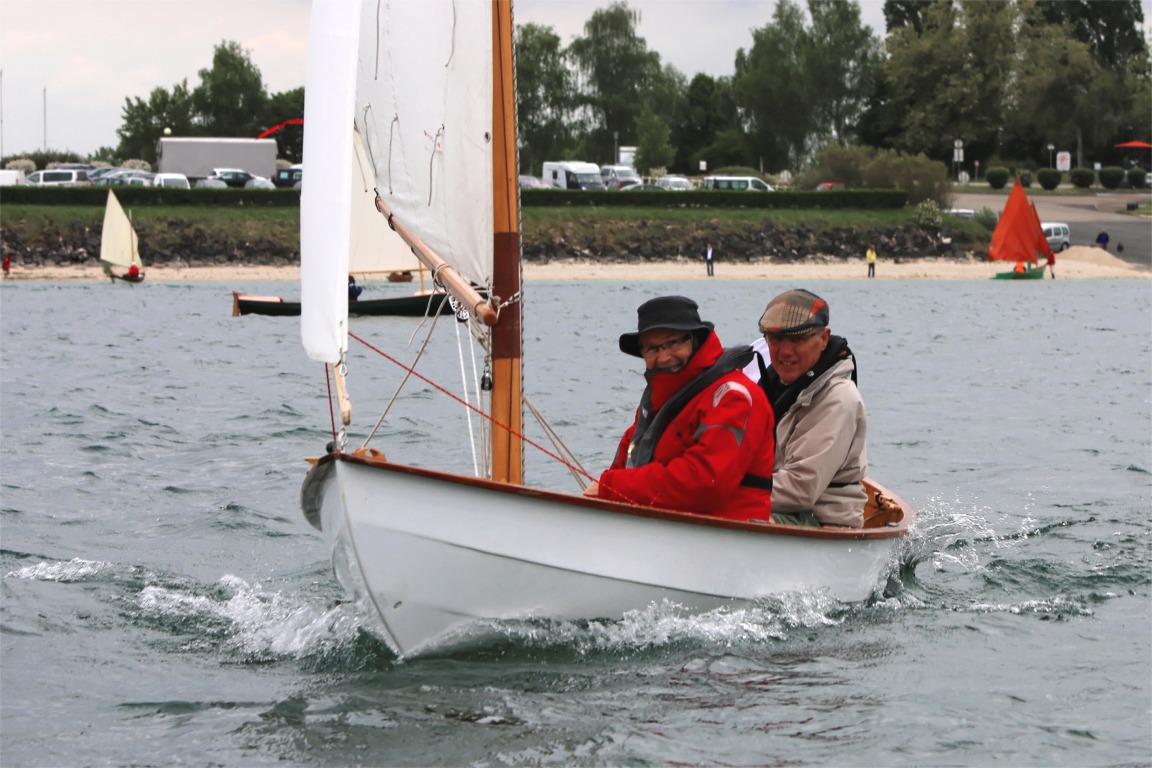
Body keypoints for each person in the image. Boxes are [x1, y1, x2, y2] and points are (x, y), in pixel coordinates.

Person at [584, 295, 775, 521]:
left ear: (695, 340)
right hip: (661, 532)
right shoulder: (655, 403)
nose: (664, 357)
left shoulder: (733, 396)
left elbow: (705, 483)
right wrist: (606, 491)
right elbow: (622, 467)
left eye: (673, 343)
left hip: (729, 536)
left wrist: (611, 487)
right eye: (651, 349)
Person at [743, 289, 867, 528]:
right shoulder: (772, 385)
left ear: (823, 339)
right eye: (776, 339)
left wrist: (723, 492)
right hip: (781, 510)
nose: (785, 351)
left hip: (822, 523)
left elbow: (800, 489)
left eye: (798, 339)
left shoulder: (839, 398)